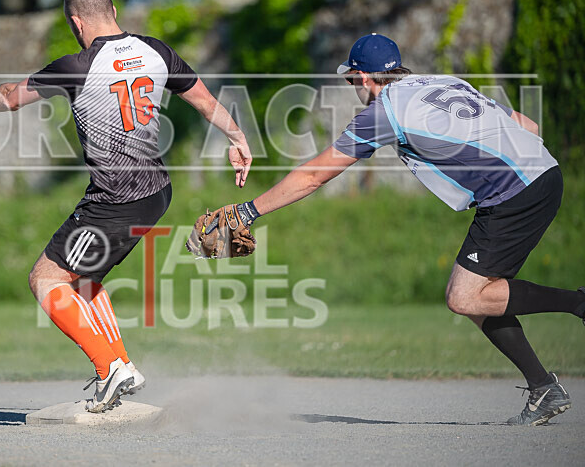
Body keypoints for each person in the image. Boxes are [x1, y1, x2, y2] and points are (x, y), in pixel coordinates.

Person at [213, 33, 584, 425]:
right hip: (543, 175)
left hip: (513, 193)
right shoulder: (444, 82)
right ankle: (543, 387)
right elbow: (530, 125)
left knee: (464, 297)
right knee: (478, 296)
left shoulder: (384, 111)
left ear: (362, 77)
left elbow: (314, 176)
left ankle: (577, 305)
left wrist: (247, 211)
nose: (352, 87)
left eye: (350, 80)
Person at [0, 0, 252, 412]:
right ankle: (120, 365)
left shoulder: (76, 66)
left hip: (114, 198)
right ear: (113, 8)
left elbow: (9, 99)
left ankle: (110, 368)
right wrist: (238, 137)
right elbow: (206, 101)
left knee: (46, 279)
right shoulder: (156, 51)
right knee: (85, 280)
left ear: (76, 23)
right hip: (157, 193)